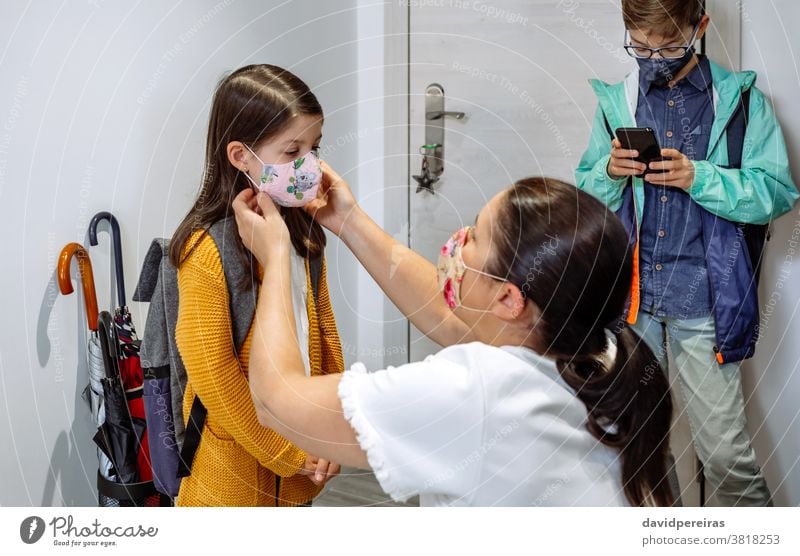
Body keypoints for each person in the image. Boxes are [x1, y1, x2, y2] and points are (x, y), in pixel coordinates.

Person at [233, 172, 675, 506]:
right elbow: (451, 318)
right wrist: (346, 220)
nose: (458, 241)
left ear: (508, 298)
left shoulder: (481, 393)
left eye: (476, 236)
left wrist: (275, 258)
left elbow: (278, 402)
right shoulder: (600, 350)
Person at [575, 0, 798, 506]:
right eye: (640, 44)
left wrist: (701, 177)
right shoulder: (618, 101)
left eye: (669, 44)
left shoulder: (742, 103)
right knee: (635, 443)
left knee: (723, 454)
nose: (653, 58)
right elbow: (587, 191)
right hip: (633, 299)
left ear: (700, 26)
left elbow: (777, 193)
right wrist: (610, 172)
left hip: (705, 301)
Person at [170, 64, 343, 506]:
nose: (309, 164)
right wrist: (288, 452)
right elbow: (215, 378)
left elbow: (324, 339)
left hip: (302, 464)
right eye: (292, 151)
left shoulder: (304, 234)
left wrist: (333, 430)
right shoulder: (206, 250)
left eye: (314, 147)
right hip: (232, 481)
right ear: (241, 157)